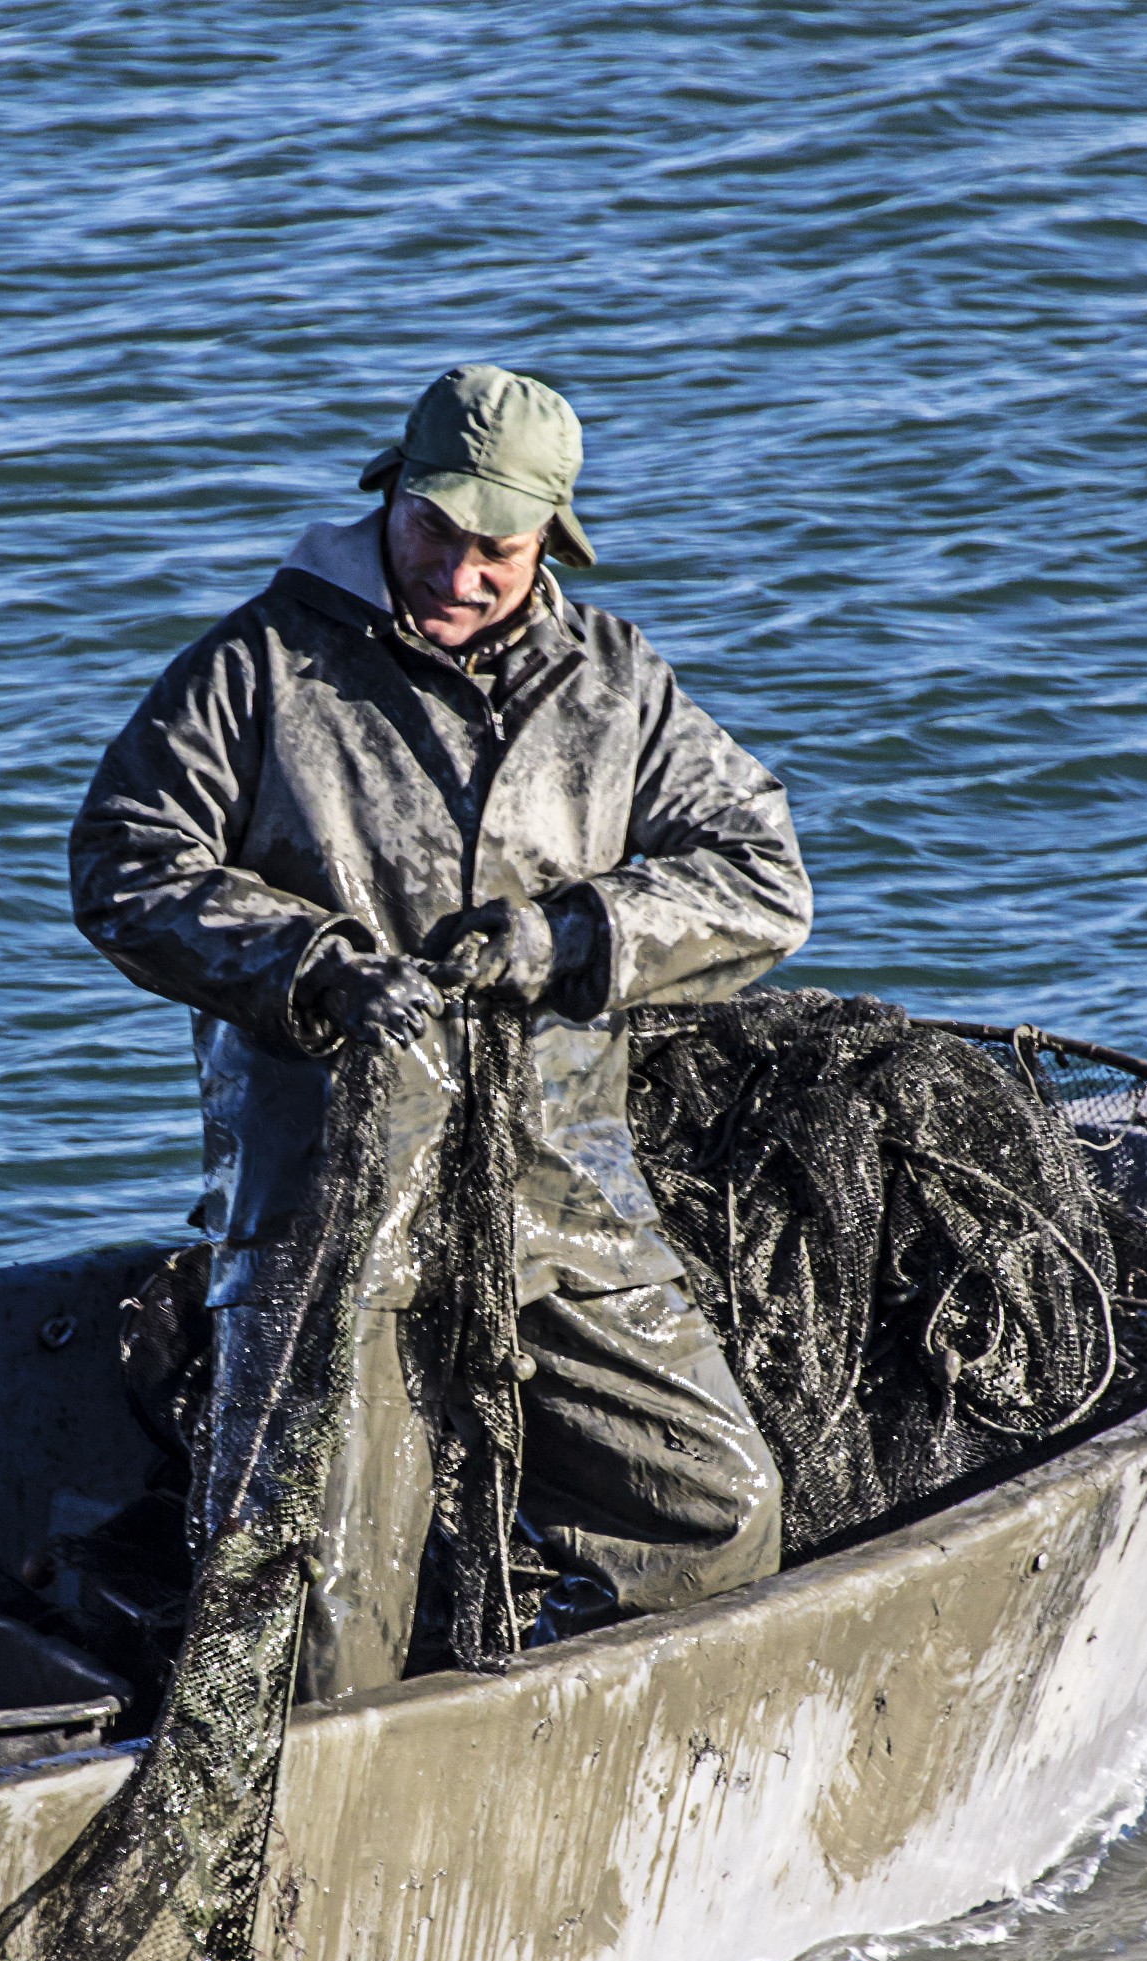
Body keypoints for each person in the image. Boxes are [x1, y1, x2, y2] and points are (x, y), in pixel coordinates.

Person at [71, 363, 812, 1700]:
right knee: (315, 1607)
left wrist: (567, 939)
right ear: (388, 497)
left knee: (711, 1512)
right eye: (438, 532)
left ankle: (559, 1755)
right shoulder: (258, 668)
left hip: (558, 1188)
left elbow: (761, 879)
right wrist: (314, 969)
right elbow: (125, 863)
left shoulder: (612, 681)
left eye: (499, 548)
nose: (463, 572)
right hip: (330, 1203)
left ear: (549, 542)